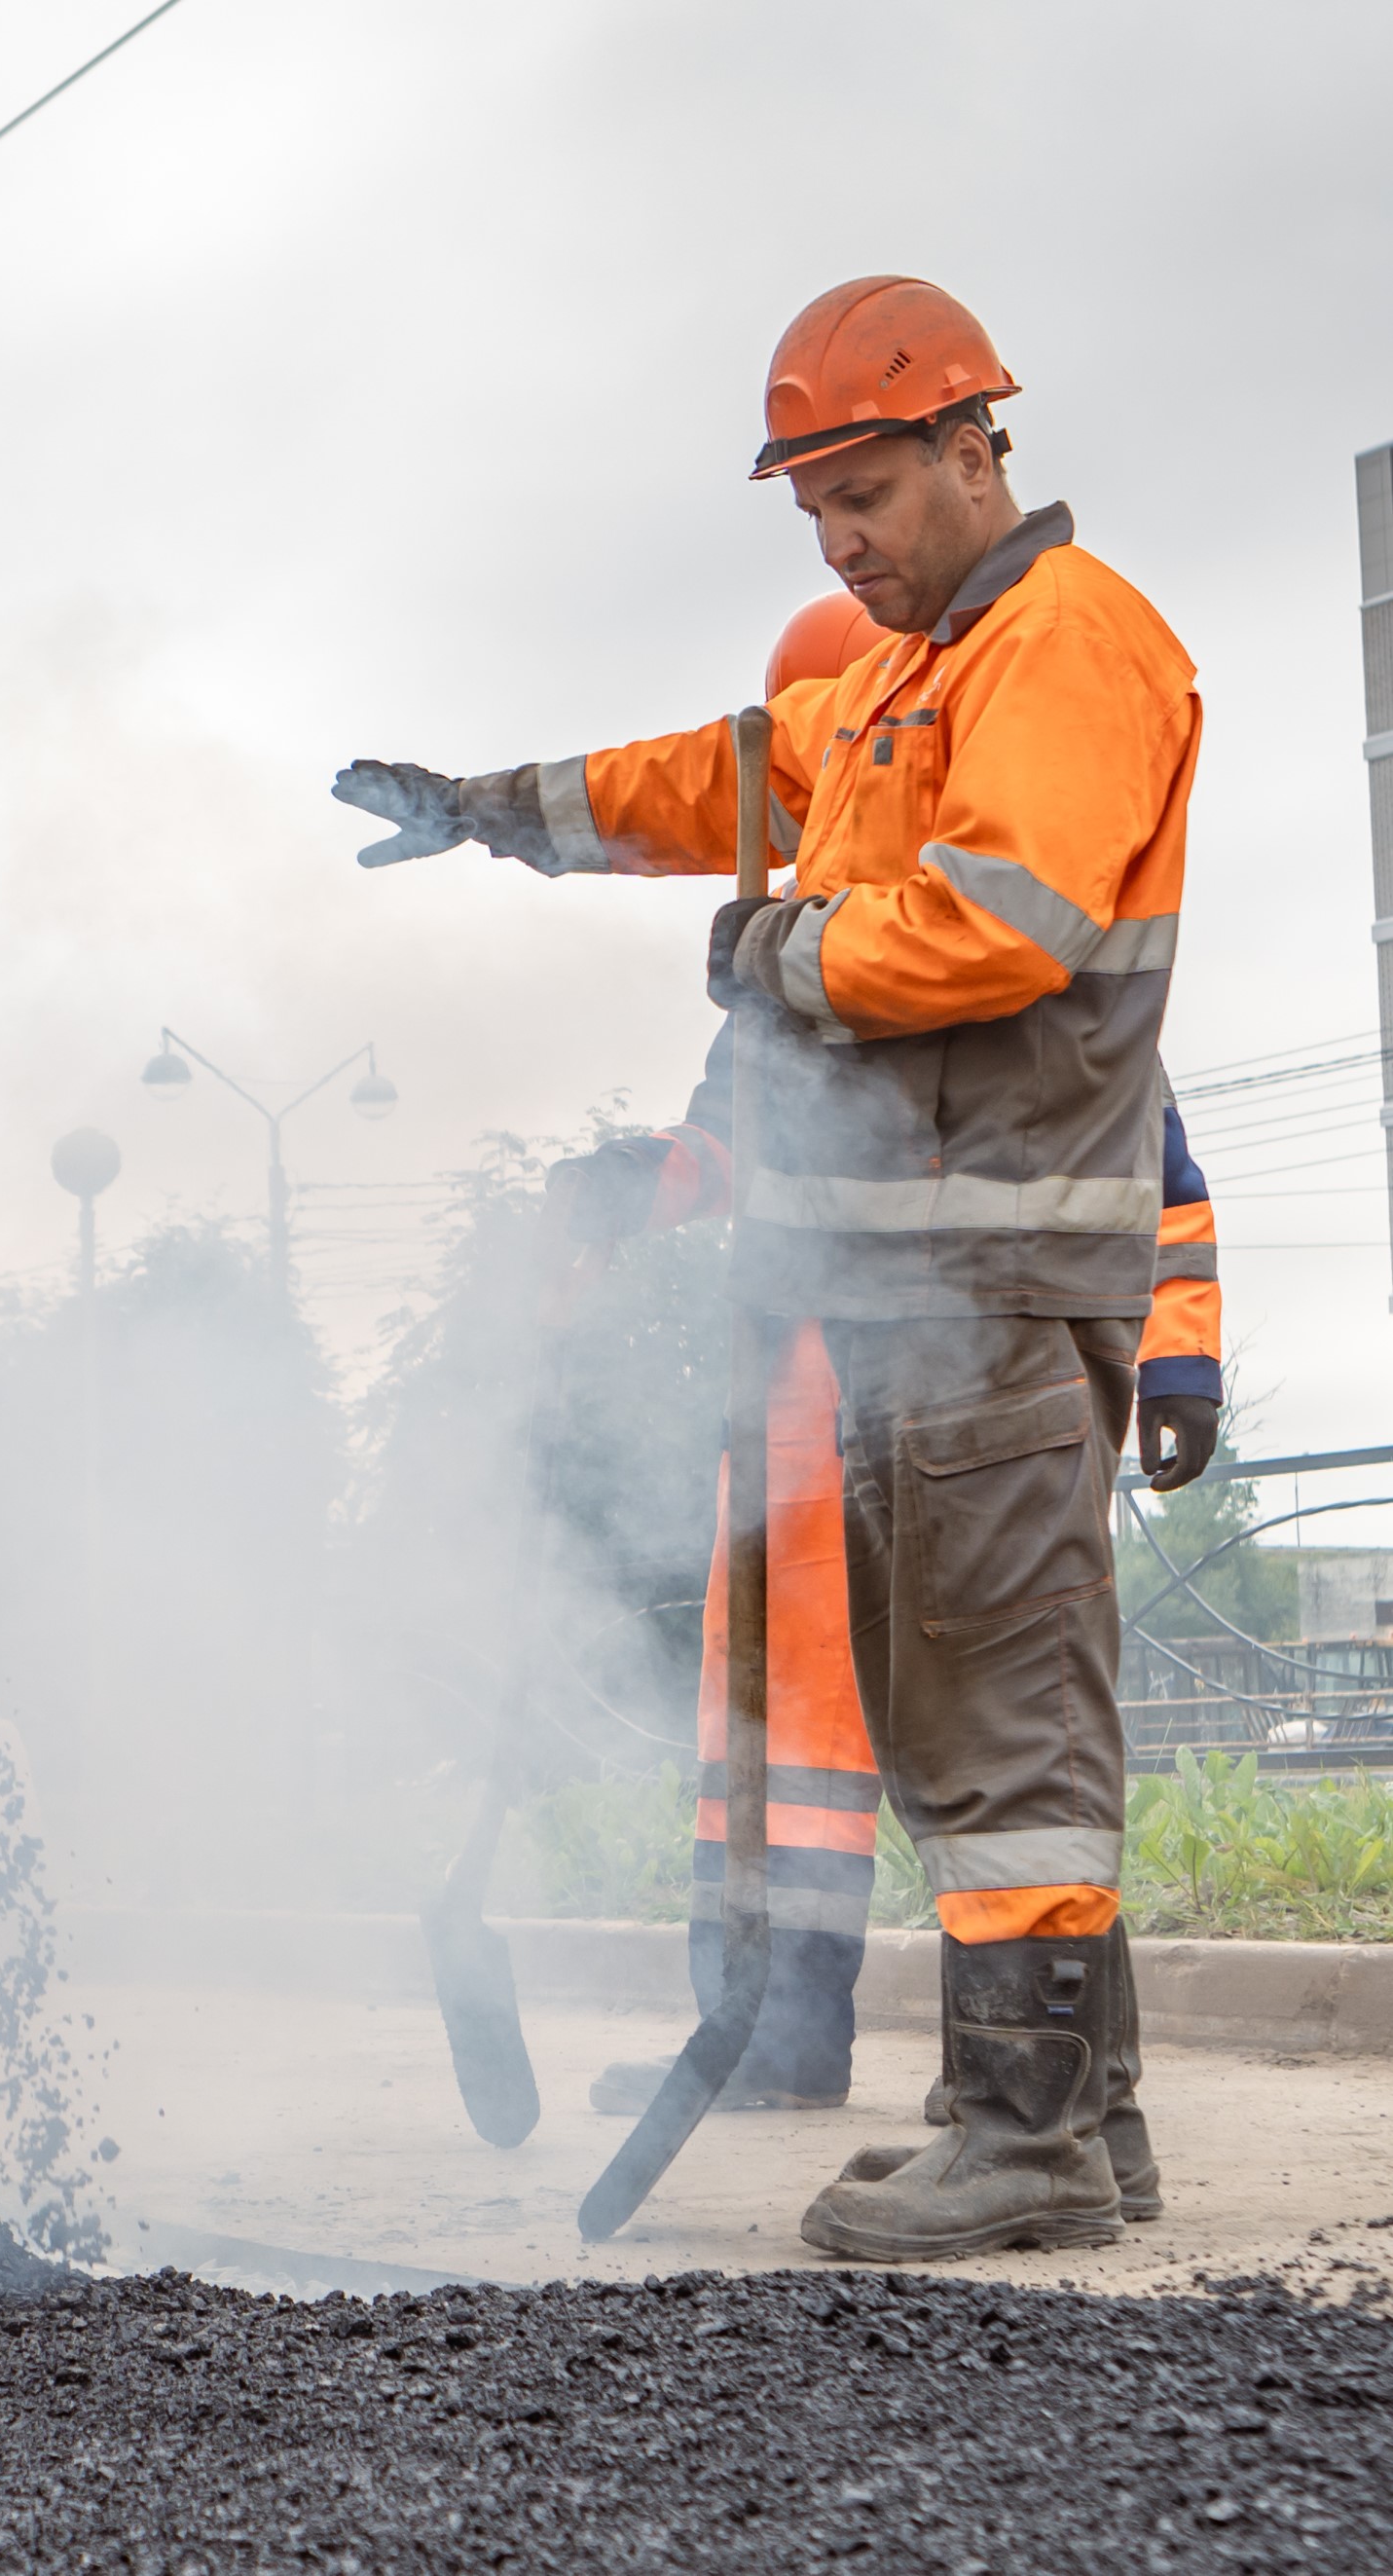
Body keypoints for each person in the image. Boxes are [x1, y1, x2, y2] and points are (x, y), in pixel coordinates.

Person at [340, 277, 1210, 2260]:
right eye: (815, 509)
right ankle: (1089, 2121)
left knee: (1001, 1730)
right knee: (968, 1726)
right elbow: (702, 780)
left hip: (994, 1283)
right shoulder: (901, 681)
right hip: (910, 1297)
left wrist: (779, 957)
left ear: (979, 445)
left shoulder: (1068, 645)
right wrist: (492, 814)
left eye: (874, 492)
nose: (845, 541)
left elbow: (1004, 923)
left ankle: (1033, 2138)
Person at [553, 586, 1226, 2159]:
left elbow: (1150, 1179)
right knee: (775, 1754)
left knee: (986, 1724)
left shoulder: (996, 952)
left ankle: (1046, 2100)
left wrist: (1182, 1358)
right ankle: (777, 2029)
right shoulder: (786, 963)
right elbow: (726, 1143)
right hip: (782, 1393)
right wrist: (636, 1179)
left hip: (952, 1374)